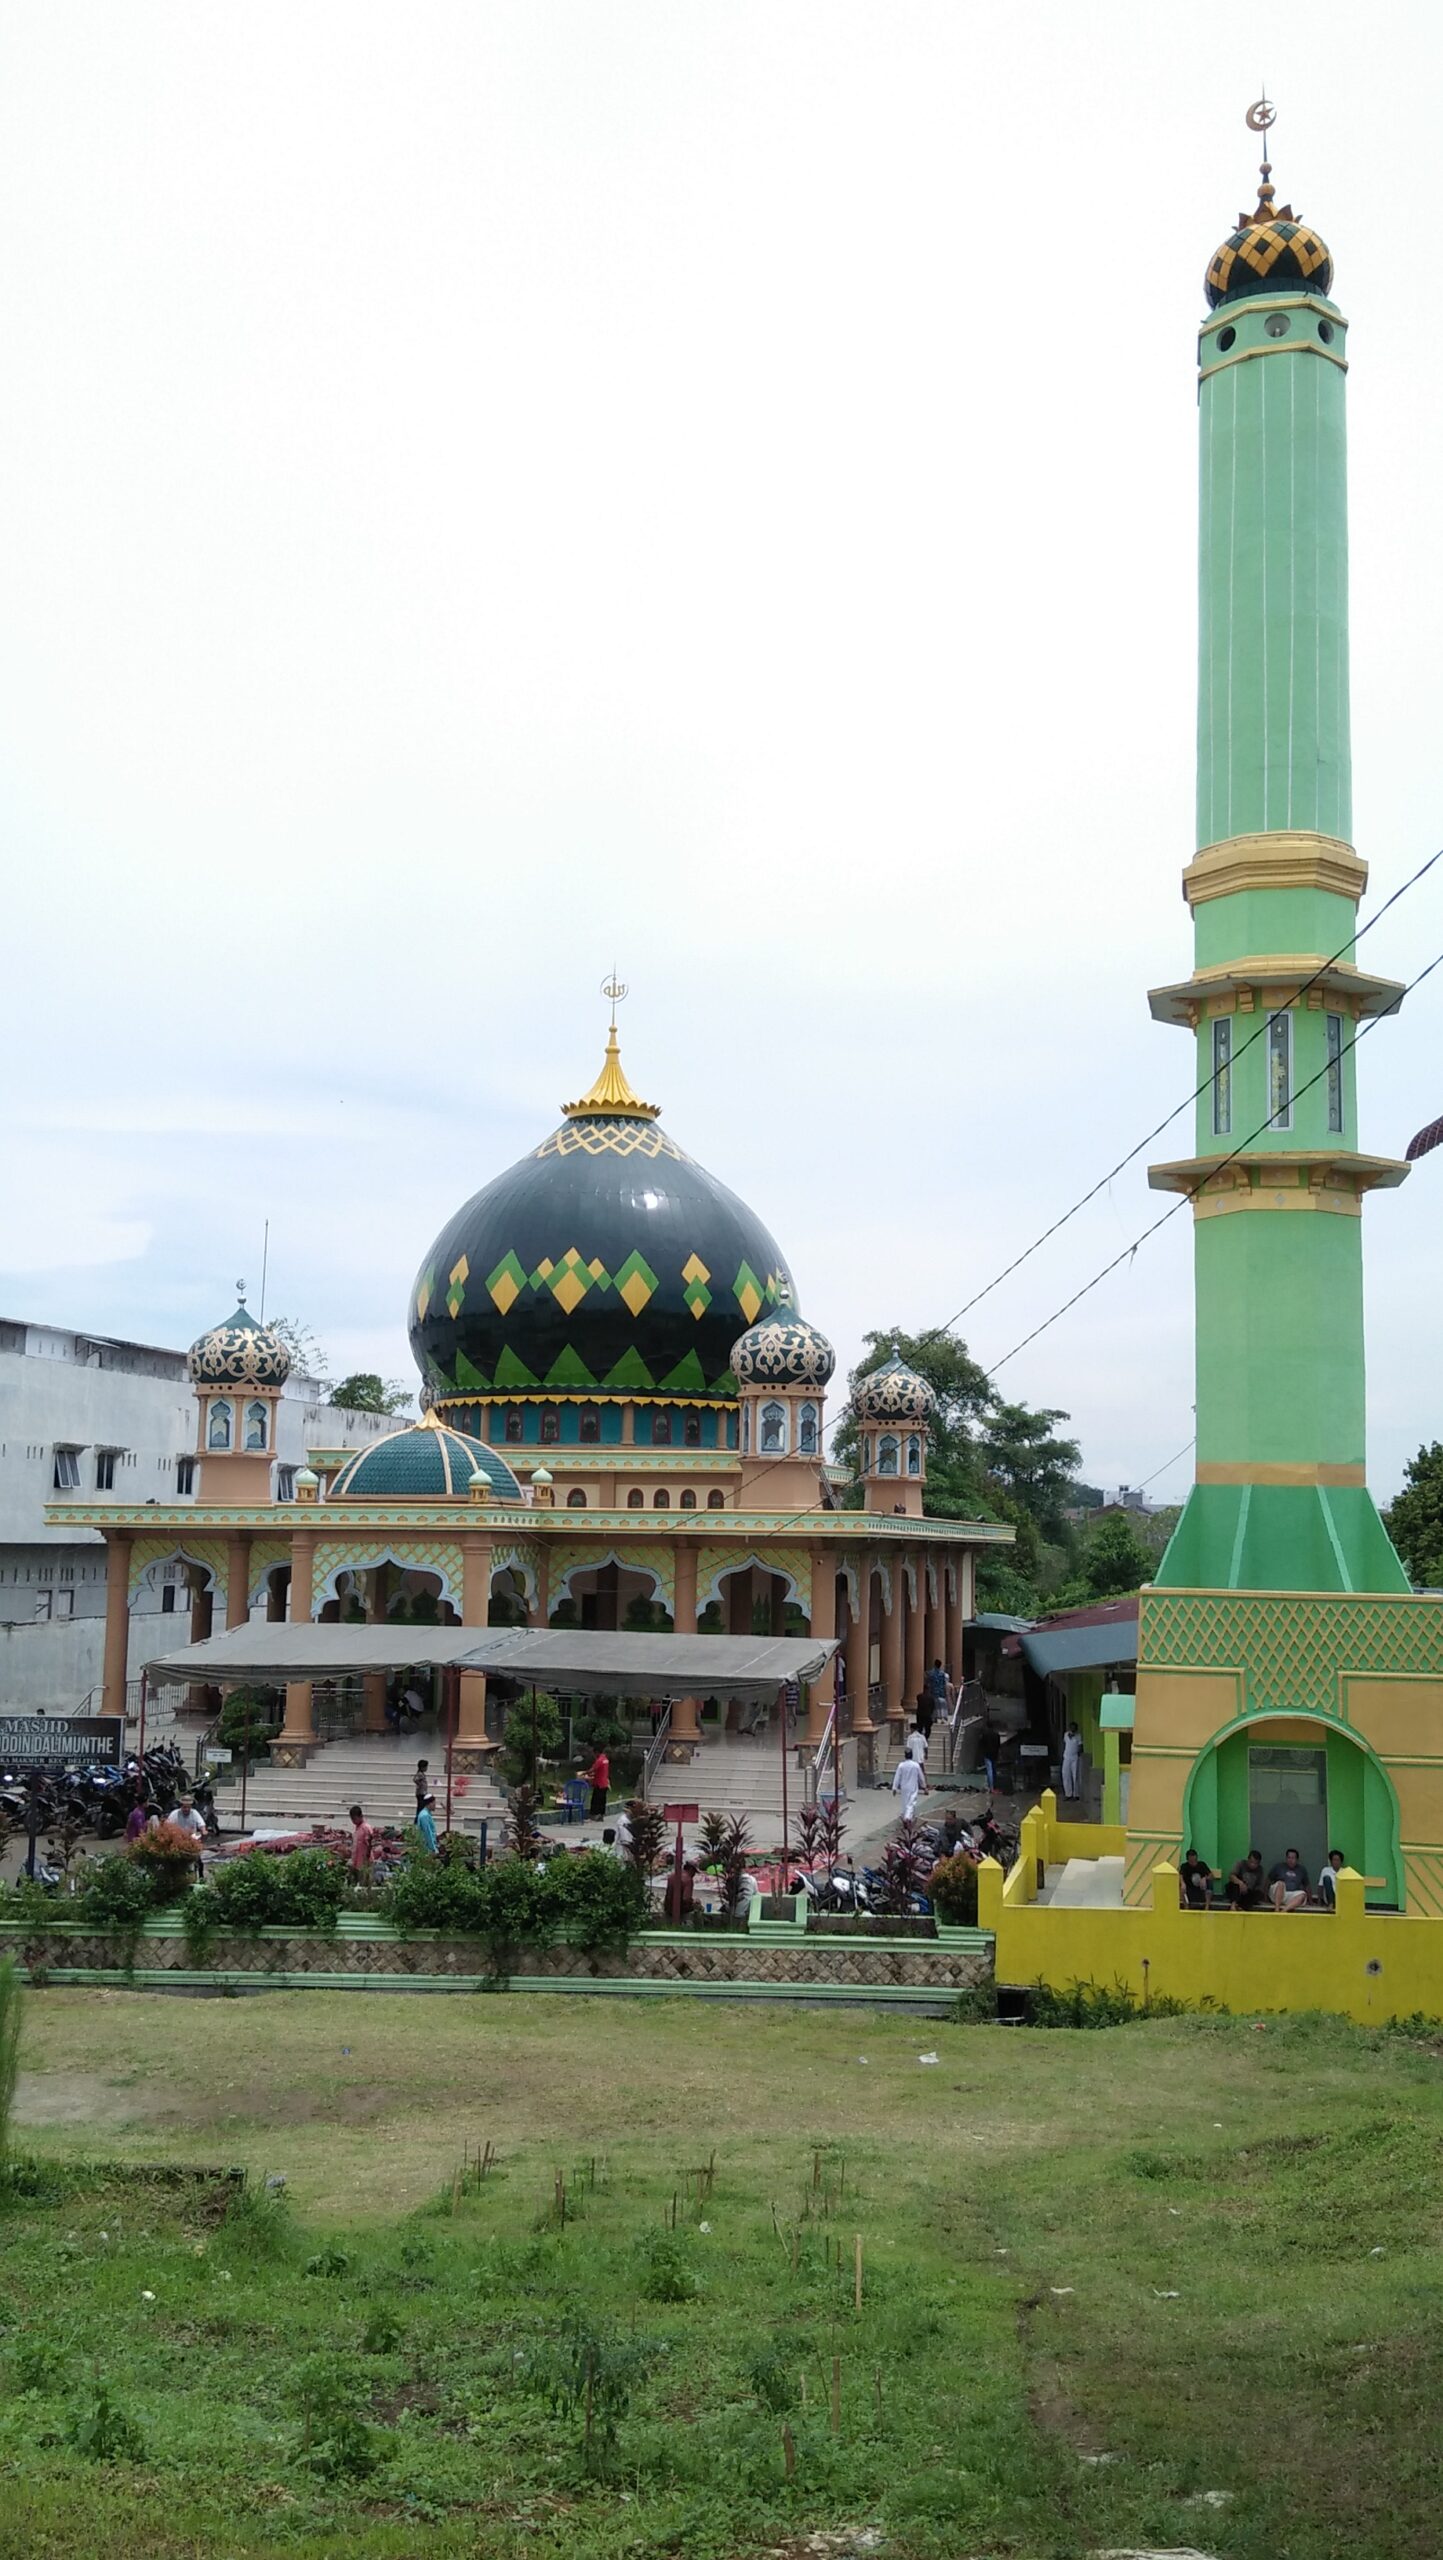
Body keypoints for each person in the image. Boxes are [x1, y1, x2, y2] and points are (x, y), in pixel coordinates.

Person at [892, 1747, 929, 1822]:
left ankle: (905, 1815)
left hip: (904, 1787)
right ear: (912, 1755)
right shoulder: (915, 1765)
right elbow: (921, 1777)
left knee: (905, 1802)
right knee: (911, 1802)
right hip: (913, 1786)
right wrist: (924, 1786)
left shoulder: (901, 1765)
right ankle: (907, 1818)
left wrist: (894, 1788)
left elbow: (897, 1777)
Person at [1268, 1847, 1310, 1912]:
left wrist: (1311, 1901)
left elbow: (1307, 1885)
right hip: (1277, 1894)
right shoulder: (1278, 1866)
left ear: (1297, 1860)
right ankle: (1276, 1910)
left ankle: (1283, 1911)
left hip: (1291, 1896)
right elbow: (1268, 1880)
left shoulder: (1302, 1870)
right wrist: (1264, 1897)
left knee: (1302, 1895)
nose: (1290, 1860)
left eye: (1293, 1858)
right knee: (1281, 1883)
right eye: (1288, 1857)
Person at [662, 1858, 697, 1925]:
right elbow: (686, 1898)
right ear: (691, 1870)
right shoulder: (688, 1879)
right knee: (698, 1906)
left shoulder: (672, 1876)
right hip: (681, 1910)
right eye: (694, 1872)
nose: (694, 1875)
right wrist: (694, 1902)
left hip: (668, 1908)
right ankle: (699, 1927)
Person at [581, 1746, 610, 1820]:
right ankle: (601, 1815)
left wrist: (584, 1773)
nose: (594, 1755)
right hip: (605, 1783)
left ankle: (594, 1815)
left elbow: (592, 1769)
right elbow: (600, 1771)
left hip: (599, 1784)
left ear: (597, 1752)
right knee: (602, 1800)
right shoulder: (605, 1759)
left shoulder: (599, 1760)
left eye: (594, 1753)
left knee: (596, 1800)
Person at [348, 1803, 376, 1877]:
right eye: (352, 1819)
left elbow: (369, 1844)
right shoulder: (357, 1828)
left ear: (361, 1816)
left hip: (365, 1862)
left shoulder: (366, 1828)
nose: (353, 1821)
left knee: (364, 1881)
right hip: (357, 1862)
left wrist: (366, 1860)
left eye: (355, 1819)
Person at [1061, 1722, 1084, 1803]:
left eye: (1074, 1727)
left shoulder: (1078, 1736)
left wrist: (1079, 1753)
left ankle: (1076, 1794)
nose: (1073, 1729)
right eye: (1071, 1727)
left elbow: (1080, 1746)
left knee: (1075, 1776)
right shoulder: (1066, 1735)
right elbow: (1065, 1744)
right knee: (1066, 1775)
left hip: (1075, 1758)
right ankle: (1068, 1794)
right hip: (1066, 1757)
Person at [978, 1717, 999, 1794]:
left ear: (987, 1726)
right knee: (994, 1770)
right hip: (995, 1754)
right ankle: (995, 1786)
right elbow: (998, 1745)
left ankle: (991, 1787)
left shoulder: (985, 1735)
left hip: (987, 1754)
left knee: (989, 1771)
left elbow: (981, 1744)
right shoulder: (996, 1735)